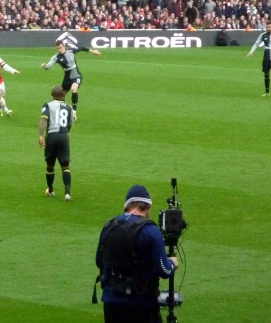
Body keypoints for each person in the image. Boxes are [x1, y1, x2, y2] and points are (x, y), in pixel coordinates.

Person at [95, 185, 179, 323]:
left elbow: (99, 261)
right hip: (141, 303)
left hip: (111, 301)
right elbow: (164, 270)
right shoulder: (150, 230)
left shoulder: (109, 225)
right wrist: (173, 263)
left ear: (127, 206)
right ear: (148, 207)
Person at [41, 39, 101, 117]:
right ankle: (60, 111)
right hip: (67, 78)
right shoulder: (56, 57)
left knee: (73, 89)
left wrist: (92, 51)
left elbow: (81, 48)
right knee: (60, 96)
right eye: (58, 48)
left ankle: (74, 111)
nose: (59, 49)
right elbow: (48, 66)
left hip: (76, 75)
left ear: (64, 45)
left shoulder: (71, 51)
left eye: (60, 47)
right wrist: (44, 66)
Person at [39, 85, 75, 201]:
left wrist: (40, 135)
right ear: (63, 95)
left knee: (50, 165)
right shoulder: (69, 108)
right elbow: (70, 124)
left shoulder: (48, 105)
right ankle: (67, 193)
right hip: (64, 136)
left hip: (52, 136)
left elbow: (44, 119)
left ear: (52, 95)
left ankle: (51, 190)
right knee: (65, 166)